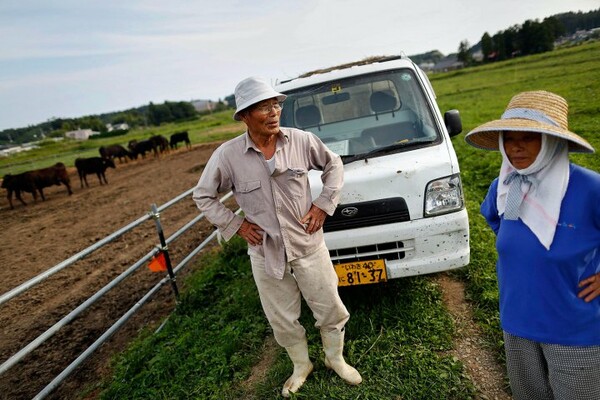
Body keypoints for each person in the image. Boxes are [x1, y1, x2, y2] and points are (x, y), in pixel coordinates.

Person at [192, 76, 362, 397]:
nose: (273, 112)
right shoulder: (228, 156)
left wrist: (324, 205)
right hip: (265, 253)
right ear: (244, 115)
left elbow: (333, 165)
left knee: (329, 307)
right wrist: (236, 225)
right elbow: (203, 196)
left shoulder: (300, 140)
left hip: (308, 245)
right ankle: (302, 365)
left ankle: (334, 359)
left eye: (275, 104)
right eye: (263, 107)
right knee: (282, 318)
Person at [464, 90, 600, 400]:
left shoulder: (589, 188)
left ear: (553, 141)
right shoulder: (505, 185)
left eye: (529, 137)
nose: (515, 146)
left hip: (573, 328)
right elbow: (496, 220)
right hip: (517, 322)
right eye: (509, 137)